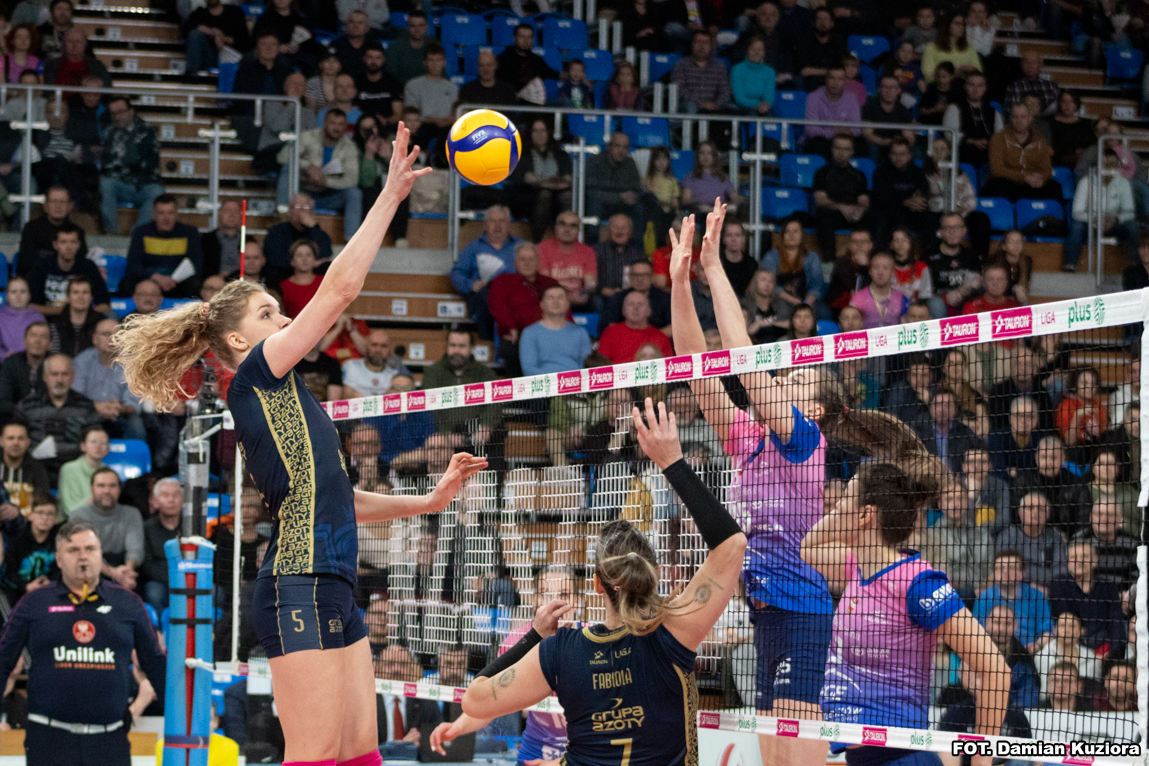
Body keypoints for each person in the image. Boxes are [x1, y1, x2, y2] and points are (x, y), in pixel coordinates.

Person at [113, 123, 488, 765]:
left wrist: (428, 502)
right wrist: (389, 197)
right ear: (238, 341)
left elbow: (337, 497)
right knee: (313, 756)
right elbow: (339, 291)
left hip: (334, 585)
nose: (285, 319)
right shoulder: (255, 376)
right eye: (268, 314)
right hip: (295, 581)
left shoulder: (295, 397)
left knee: (361, 754)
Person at [671, 206, 942, 764]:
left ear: (813, 408)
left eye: (795, 378)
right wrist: (680, 282)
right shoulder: (747, 437)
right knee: (774, 760)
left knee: (797, 760)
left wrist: (715, 267)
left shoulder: (804, 439)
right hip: (765, 615)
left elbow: (746, 364)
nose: (783, 378)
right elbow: (695, 366)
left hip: (804, 617)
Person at [437, 397, 747, 766]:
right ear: (652, 575)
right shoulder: (675, 630)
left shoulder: (559, 650)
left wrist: (534, 635)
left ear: (596, 584)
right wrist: (671, 462)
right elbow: (732, 545)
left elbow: (474, 699)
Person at [801, 460, 1008, 763]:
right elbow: (807, 547)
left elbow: (996, 671)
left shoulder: (918, 583)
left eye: (845, 497)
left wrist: (981, 763)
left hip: (901, 757)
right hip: (861, 758)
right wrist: (853, 510)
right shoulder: (855, 566)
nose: (835, 506)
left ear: (866, 515)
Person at [0, 518, 165, 766]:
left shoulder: (128, 603)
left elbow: (154, 663)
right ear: (58, 559)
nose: (83, 557)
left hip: (109, 741)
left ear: (101, 555)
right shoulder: (34, 603)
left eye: (90, 549)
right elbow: (3, 660)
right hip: (47, 740)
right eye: (73, 550)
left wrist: (181, 722)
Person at [15, 353, 100, 480]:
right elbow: (17, 439)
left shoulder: (86, 406)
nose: (59, 380)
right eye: (54, 374)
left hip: (76, 471)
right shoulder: (26, 406)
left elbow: (94, 440)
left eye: (64, 374)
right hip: (35, 470)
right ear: (44, 377)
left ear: (73, 377)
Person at [283, 110, 362, 243]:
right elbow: (283, 156)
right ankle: (282, 219)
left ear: (345, 127)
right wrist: (308, 166)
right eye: (332, 123)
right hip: (303, 193)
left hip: (329, 196)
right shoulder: (308, 136)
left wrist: (326, 181)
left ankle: (351, 241)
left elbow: (352, 179)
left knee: (354, 193)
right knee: (286, 169)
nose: (336, 128)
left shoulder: (349, 146)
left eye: (340, 124)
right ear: (324, 123)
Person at [449, 205, 522, 341]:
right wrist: (471, 284)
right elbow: (457, 273)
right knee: (486, 297)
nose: (497, 225)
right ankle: (488, 344)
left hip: (514, 296)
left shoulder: (520, 246)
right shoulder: (474, 248)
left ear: (508, 224)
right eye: (492, 221)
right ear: (485, 225)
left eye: (502, 221)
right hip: (485, 296)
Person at [488, 244, 560, 378]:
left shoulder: (550, 283)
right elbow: (498, 306)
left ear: (538, 262)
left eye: (531, 259)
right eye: (523, 259)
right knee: (511, 347)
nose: (527, 263)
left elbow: (563, 308)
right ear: (515, 263)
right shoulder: (502, 282)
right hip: (517, 336)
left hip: (549, 335)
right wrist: (511, 327)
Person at [420, 330, 502, 444]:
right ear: (446, 346)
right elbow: (429, 407)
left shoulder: (485, 373)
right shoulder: (433, 372)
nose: (456, 351)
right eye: (452, 345)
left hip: (477, 437)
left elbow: (493, 404)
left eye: (462, 346)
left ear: (471, 348)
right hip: (441, 440)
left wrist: (486, 426)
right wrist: (445, 433)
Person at [1064, 148, 1139, 272]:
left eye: (1111, 164)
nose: (1107, 168)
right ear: (1097, 165)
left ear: (1118, 165)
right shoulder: (1086, 182)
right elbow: (1076, 212)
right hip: (1091, 224)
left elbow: (1129, 211)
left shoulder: (1124, 183)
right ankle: (1070, 265)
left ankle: (1138, 267)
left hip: (1113, 224)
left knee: (1132, 226)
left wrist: (1116, 218)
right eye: (1104, 164)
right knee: (1076, 226)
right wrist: (1095, 218)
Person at [69, 467, 144, 589]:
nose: (107, 491)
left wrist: (128, 571)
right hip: (90, 572)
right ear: (92, 489)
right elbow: (85, 553)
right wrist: (113, 573)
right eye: (101, 486)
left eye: (112, 486)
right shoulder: (78, 516)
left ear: (119, 489)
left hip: (124, 569)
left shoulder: (132, 514)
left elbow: (135, 549)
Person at [99, 96, 162, 235]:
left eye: (121, 112)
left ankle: (137, 234)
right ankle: (112, 233)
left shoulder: (147, 130)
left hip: (143, 183)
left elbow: (147, 163)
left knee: (156, 192)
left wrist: (122, 166)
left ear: (131, 111)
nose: (117, 117)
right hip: (119, 183)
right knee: (106, 185)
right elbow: (106, 163)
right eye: (113, 113)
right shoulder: (109, 132)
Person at [73, 318, 145, 442]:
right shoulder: (82, 361)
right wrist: (97, 406)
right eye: (106, 334)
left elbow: (133, 401)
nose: (112, 339)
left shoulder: (132, 362)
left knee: (136, 425)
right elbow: (76, 396)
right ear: (95, 339)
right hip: (90, 412)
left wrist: (118, 408)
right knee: (75, 421)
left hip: (120, 414)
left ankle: (134, 455)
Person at [1049, 539, 1125, 653]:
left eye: (1084, 556)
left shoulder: (1108, 588)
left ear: (1094, 561)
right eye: (1074, 557)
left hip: (1104, 651)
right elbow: (1063, 624)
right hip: (1071, 651)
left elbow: (1116, 626)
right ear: (1068, 563)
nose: (1079, 561)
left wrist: (1111, 655)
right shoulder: (1059, 585)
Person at [1012, 434, 1092, 539]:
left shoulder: (1076, 484)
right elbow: (1016, 517)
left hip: (1068, 542)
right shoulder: (1023, 482)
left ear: (1063, 459)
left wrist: (1070, 539)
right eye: (1044, 457)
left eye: (1053, 458)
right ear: (1036, 458)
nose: (1048, 463)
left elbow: (1084, 520)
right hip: (1030, 539)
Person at [123, 194, 203, 299]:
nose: (166, 218)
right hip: (150, 280)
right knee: (126, 283)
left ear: (176, 214)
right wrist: (155, 277)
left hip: (178, 283)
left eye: (170, 213)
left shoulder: (189, 233)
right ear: (154, 214)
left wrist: (174, 279)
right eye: (161, 213)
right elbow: (133, 265)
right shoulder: (141, 232)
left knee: (195, 284)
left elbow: (196, 263)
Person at [973, 549, 1054, 652]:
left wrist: (1037, 645)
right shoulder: (984, 598)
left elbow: (1048, 632)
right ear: (994, 573)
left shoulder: (1036, 596)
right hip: (993, 652)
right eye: (1000, 568)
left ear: (1022, 573)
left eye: (1011, 568)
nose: (1005, 572)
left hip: (1030, 654)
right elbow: (978, 633)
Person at [984, 102, 1062, 202]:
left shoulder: (1039, 141)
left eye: (1023, 117)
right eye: (1015, 117)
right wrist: (1024, 177)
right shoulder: (998, 138)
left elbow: (1047, 171)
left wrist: (1038, 179)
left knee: (1054, 187)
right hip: (1009, 182)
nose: (1019, 121)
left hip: (1030, 184)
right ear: (1010, 118)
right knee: (999, 185)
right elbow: (997, 170)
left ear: (1030, 118)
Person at [27, 223, 109, 317]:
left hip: (83, 320)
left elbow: (104, 305)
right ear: (55, 245)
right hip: (46, 319)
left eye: (73, 242)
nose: (68, 247)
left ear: (78, 245)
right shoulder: (42, 266)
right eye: (63, 242)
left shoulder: (88, 267)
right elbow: (30, 306)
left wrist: (79, 313)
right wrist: (69, 310)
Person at [811, 133, 871, 261]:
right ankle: (829, 260)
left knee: (874, 216)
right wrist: (842, 208)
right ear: (832, 149)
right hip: (833, 214)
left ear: (852, 151)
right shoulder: (822, 173)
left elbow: (864, 202)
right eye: (838, 148)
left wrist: (858, 212)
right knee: (823, 214)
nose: (841, 153)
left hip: (853, 215)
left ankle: (870, 259)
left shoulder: (859, 175)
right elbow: (819, 199)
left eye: (845, 149)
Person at [761, 216, 829, 322]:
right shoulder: (771, 256)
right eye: (787, 231)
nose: (791, 235)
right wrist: (793, 300)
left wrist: (808, 302)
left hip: (807, 299)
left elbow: (817, 285)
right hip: (781, 299)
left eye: (796, 231)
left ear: (802, 235)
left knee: (824, 313)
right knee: (784, 311)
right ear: (782, 235)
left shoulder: (812, 257)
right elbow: (770, 285)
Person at [995, 492, 1068, 588]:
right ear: (1020, 513)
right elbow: (1009, 571)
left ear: (1048, 515)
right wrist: (1033, 587)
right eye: (1030, 508)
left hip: (1049, 590)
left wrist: (1049, 590)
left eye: (1041, 509)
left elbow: (1060, 570)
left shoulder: (1055, 538)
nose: (1035, 512)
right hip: (1017, 589)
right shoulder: (1008, 537)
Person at [585, 133, 644, 247]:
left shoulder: (630, 163)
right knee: (594, 203)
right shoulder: (594, 161)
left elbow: (637, 189)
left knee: (638, 208)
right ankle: (592, 246)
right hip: (600, 204)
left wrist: (633, 196)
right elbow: (590, 191)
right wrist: (619, 196)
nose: (621, 151)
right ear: (609, 146)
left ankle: (637, 250)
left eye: (625, 147)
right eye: (617, 146)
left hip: (622, 205)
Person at [519, 285, 593, 376]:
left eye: (560, 297)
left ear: (567, 304)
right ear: (542, 304)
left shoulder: (580, 333)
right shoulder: (530, 333)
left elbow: (586, 366)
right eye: (551, 298)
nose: (556, 301)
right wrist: (553, 381)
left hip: (574, 382)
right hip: (544, 383)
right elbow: (529, 369)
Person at [2, 490, 60, 603]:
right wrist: (26, 586)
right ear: (30, 515)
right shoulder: (16, 539)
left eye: (50, 513)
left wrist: (51, 583)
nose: (45, 517)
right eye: (40, 512)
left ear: (56, 518)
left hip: (51, 595)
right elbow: (9, 574)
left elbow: (62, 571)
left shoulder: (60, 541)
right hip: (18, 598)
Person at [17, 186, 88, 276]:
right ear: (45, 206)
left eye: (62, 202)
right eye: (54, 201)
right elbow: (26, 264)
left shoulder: (77, 231)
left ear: (70, 206)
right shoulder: (31, 229)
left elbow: (81, 263)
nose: (58, 206)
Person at [872, 138, 932, 244]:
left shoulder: (918, 173)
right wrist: (904, 202)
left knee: (929, 218)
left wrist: (918, 201)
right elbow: (880, 197)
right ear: (889, 155)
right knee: (883, 218)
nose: (898, 157)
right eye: (894, 154)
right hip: (890, 212)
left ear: (909, 155)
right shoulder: (881, 172)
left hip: (913, 212)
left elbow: (923, 193)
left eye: (902, 154)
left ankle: (929, 251)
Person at [264, 193, 334, 283]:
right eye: (297, 207)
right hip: (284, 278)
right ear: (290, 211)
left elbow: (325, 253)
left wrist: (314, 228)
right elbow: (275, 259)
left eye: (306, 207)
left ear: (312, 212)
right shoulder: (277, 231)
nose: (301, 210)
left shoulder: (316, 232)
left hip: (313, 279)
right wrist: (310, 264)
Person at [924, 213, 982, 317]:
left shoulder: (971, 255)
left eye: (957, 227)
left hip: (965, 298)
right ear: (940, 232)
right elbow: (924, 290)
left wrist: (960, 293)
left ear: (964, 231)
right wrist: (945, 297)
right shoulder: (928, 256)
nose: (952, 232)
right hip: (940, 303)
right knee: (935, 304)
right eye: (947, 228)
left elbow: (977, 281)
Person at [537, 210, 596, 311]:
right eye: (562, 224)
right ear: (556, 227)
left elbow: (591, 283)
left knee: (596, 303)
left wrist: (585, 292)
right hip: (551, 297)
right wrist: (568, 297)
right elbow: (545, 283)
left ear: (578, 230)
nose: (567, 229)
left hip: (578, 300)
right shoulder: (542, 248)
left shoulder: (587, 251)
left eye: (573, 226)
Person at [1034, 610, 1102, 697]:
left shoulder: (1091, 660)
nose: (1066, 630)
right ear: (1055, 630)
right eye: (1062, 625)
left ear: (1081, 631)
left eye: (1072, 626)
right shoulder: (1041, 657)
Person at [943, 71, 1003, 168]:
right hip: (964, 153)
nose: (976, 90)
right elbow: (950, 133)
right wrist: (971, 141)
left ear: (985, 88)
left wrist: (991, 142)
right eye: (972, 85)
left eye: (980, 85)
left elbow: (1000, 134)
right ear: (965, 87)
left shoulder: (993, 111)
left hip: (989, 154)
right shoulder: (955, 108)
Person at [139, 477, 181, 612]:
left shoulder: (194, 528)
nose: (171, 500)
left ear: (183, 501)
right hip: (158, 581)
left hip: (189, 577)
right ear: (155, 501)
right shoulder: (146, 528)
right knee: (154, 593)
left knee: (215, 592)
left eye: (176, 495)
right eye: (165, 495)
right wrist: (173, 578)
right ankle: (157, 626)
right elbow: (147, 566)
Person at [598, 291, 674, 364]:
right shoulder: (610, 333)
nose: (635, 308)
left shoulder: (661, 338)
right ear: (623, 311)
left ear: (649, 311)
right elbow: (601, 366)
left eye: (640, 304)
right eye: (631, 304)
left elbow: (668, 367)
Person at [801, 66, 861, 158]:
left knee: (860, 143)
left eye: (840, 79)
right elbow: (811, 130)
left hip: (843, 141)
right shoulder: (813, 97)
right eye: (832, 78)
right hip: (821, 141)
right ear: (826, 79)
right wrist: (835, 132)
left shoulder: (851, 98)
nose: (835, 83)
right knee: (818, 142)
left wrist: (842, 134)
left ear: (845, 81)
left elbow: (857, 129)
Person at [670, 29, 732, 115]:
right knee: (691, 107)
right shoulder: (681, 64)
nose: (701, 46)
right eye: (698, 42)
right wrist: (701, 104)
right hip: (689, 106)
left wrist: (716, 104)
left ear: (711, 46)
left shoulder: (720, 66)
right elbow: (680, 91)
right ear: (692, 44)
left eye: (705, 43)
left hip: (714, 107)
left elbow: (725, 90)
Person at [180, 0, 250, 76]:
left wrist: (223, 39)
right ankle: (191, 75)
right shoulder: (199, 14)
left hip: (231, 57)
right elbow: (186, 30)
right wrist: (211, 32)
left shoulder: (234, 12)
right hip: (210, 58)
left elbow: (245, 41)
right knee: (194, 34)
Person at [495, 23, 559, 100]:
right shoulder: (504, 58)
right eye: (522, 37)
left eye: (529, 37)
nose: (526, 41)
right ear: (514, 38)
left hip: (532, 103)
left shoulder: (536, 60)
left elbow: (553, 74)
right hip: (508, 101)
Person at [861, 75, 916, 162]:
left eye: (892, 87)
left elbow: (910, 138)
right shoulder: (869, 107)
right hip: (876, 145)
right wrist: (885, 141)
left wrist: (898, 142)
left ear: (898, 90)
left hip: (896, 146)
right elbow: (867, 134)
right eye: (885, 87)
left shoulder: (904, 111)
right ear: (879, 89)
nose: (888, 91)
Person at [0, 321, 48, 419]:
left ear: (50, 344)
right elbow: (3, 400)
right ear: (25, 341)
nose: (37, 340)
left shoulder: (56, 365)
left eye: (43, 336)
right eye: (33, 335)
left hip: (47, 418)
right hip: (15, 418)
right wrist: (24, 413)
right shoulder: (11, 364)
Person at [0, 419, 49, 514]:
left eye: (21, 438)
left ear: (28, 442)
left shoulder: (37, 469)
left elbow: (43, 502)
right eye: (10, 438)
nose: (15, 443)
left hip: (27, 521)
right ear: (1, 441)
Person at [341, 329, 409, 398]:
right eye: (374, 345)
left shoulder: (395, 373)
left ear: (390, 349)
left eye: (384, 346)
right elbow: (347, 398)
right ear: (366, 346)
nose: (378, 350)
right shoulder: (351, 366)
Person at [57, 424, 108, 515]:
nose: (98, 446)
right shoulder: (69, 469)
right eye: (93, 442)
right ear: (83, 446)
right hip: (74, 521)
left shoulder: (108, 472)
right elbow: (69, 509)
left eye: (103, 442)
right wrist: (94, 500)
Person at [848, 252, 909, 329]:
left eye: (885, 268)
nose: (880, 272)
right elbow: (851, 329)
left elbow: (907, 329)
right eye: (876, 267)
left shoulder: (901, 298)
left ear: (893, 273)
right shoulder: (858, 298)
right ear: (870, 271)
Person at [593, 214, 648, 297]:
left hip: (631, 297)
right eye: (615, 227)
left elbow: (645, 279)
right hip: (602, 297)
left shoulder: (639, 255)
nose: (619, 232)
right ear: (608, 230)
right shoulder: (596, 251)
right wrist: (601, 290)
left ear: (630, 232)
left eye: (624, 228)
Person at [795, 8, 848, 92]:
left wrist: (817, 71)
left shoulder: (838, 42)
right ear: (813, 23)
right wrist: (830, 71)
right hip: (809, 84)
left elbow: (842, 69)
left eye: (825, 19)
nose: (822, 23)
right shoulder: (804, 41)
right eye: (819, 19)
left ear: (832, 23)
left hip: (834, 83)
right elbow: (804, 71)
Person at [680, 141, 739, 214]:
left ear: (714, 157)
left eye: (709, 153)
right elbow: (685, 200)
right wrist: (699, 206)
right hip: (699, 212)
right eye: (702, 153)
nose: (705, 157)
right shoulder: (690, 177)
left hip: (720, 213)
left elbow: (735, 197)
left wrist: (729, 205)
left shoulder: (723, 178)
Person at [48, 277, 102, 357]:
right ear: (68, 297)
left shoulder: (100, 323)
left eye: (85, 292)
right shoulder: (55, 323)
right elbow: (54, 355)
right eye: (76, 292)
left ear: (91, 297)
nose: (80, 296)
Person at [922, 13, 982, 82]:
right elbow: (928, 76)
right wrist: (951, 73)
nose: (961, 27)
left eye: (963, 24)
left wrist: (970, 69)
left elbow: (979, 72)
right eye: (957, 23)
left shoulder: (969, 48)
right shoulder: (931, 48)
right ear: (947, 25)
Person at [42, 27, 111, 88]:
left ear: (85, 44)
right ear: (64, 44)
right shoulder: (50, 66)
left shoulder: (98, 67)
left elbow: (106, 91)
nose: (74, 45)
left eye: (78, 41)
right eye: (70, 41)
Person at [1004, 50, 1060, 115]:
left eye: (1034, 62)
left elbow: (1058, 111)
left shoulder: (1051, 86)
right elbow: (1008, 112)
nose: (1030, 66)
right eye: (1026, 62)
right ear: (1021, 65)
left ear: (1040, 65)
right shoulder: (1013, 87)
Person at [0, 278, 44, 360]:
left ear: (29, 295)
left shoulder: (38, 318)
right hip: (6, 363)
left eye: (23, 291)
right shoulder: (1, 317)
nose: (18, 296)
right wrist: (5, 355)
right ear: (7, 296)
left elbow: (44, 344)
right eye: (13, 292)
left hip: (34, 362)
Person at [731, 35, 775, 115]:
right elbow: (739, 99)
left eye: (759, 50)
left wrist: (765, 105)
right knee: (752, 113)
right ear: (747, 51)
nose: (756, 53)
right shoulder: (737, 69)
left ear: (764, 52)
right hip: (742, 109)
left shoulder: (769, 71)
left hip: (763, 109)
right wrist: (757, 104)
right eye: (753, 49)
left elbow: (769, 97)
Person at [278, 240, 323, 319]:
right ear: (292, 261)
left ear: (315, 259)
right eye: (299, 255)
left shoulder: (324, 281)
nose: (304, 259)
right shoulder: (284, 286)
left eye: (308, 255)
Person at [202, 200, 244, 278]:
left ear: (241, 216)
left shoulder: (248, 240)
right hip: (214, 281)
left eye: (236, 211)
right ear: (220, 214)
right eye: (227, 211)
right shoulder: (206, 239)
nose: (232, 215)